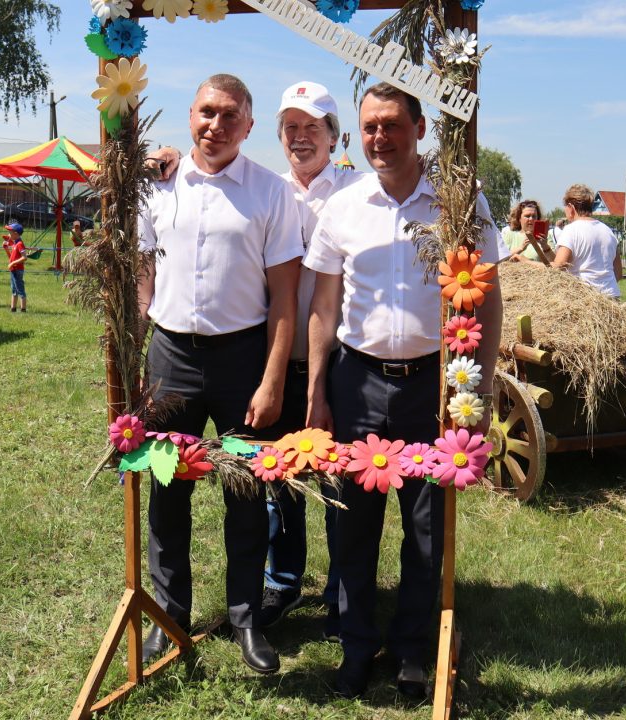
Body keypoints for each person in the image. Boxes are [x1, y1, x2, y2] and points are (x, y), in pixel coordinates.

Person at [305, 82, 503, 700]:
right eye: (368, 128)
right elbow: (323, 305)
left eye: (391, 125)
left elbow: (488, 296)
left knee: (426, 524)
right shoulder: (342, 204)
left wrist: (486, 382)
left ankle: (415, 650)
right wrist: (316, 389)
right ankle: (357, 647)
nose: (379, 139)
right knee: (352, 527)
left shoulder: (459, 205)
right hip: (357, 381)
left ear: (420, 128)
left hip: (434, 386)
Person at [137, 74, 303, 676]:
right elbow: (140, 273)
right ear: (189, 116)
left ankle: (245, 617)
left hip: (242, 360)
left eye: (230, 116)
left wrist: (272, 379)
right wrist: (136, 350)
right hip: (171, 357)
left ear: (249, 126)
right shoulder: (157, 185)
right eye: (207, 112)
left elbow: (285, 297)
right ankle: (169, 615)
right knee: (167, 488)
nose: (216, 125)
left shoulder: (269, 193)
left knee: (247, 494)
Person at [259, 80, 361, 637]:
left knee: (338, 480)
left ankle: (343, 589)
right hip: (277, 360)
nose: (301, 138)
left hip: (341, 362)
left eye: (312, 128)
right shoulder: (266, 190)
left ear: (334, 135)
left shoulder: (355, 192)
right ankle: (284, 580)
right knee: (282, 478)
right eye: (291, 128)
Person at [551, 184, 622, 298]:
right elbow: (618, 273)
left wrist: (528, 263)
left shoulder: (571, 230)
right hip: (611, 298)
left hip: (585, 300)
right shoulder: (607, 231)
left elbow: (558, 267)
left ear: (571, 207)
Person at [503, 200, 554, 265]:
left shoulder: (544, 236)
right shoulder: (510, 235)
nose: (531, 219)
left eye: (534, 216)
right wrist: (521, 248)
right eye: (527, 216)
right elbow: (500, 259)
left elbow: (555, 263)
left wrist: (545, 246)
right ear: (519, 218)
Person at [3, 223, 28, 312]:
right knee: (14, 290)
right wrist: (6, 249)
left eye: (10, 232)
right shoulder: (15, 244)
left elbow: (24, 257)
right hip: (13, 270)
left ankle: (23, 309)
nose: (9, 235)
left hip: (18, 270)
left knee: (20, 289)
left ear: (16, 234)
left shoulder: (20, 244)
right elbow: (11, 258)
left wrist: (13, 263)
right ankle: (13, 308)